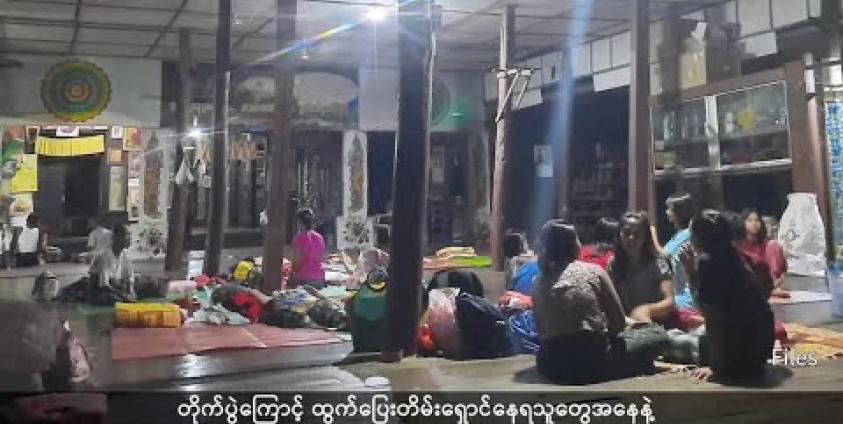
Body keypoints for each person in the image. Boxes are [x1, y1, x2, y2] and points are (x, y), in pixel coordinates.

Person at [532, 219, 669, 385]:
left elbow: (541, 328)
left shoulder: (538, 282)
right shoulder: (593, 271)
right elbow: (618, 324)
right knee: (657, 334)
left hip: (551, 365)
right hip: (593, 363)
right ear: (575, 245)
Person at [679, 210, 775, 382]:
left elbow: (714, 317)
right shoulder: (733, 256)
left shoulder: (708, 262)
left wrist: (716, 368)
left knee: (682, 342)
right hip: (759, 352)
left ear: (699, 239)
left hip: (739, 355)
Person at [609, 212, 676, 324]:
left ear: (645, 236)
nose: (631, 238)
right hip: (627, 322)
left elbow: (669, 302)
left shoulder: (659, 264)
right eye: (627, 233)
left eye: (637, 234)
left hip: (658, 322)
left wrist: (646, 310)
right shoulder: (614, 265)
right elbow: (611, 304)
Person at [737, 209, 789, 298]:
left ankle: (773, 287)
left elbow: (780, 266)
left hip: (768, 279)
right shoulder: (738, 244)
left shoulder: (766, 243)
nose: (754, 224)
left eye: (757, 220)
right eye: (749, 221)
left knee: (773, 244)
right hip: (749, 279)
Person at [88, 223, 135, 301]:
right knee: (113, 296)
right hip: (100, 290)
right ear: (116, 238)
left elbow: (130, 277)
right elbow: (104, 285)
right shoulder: (105, 255)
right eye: (126, 234)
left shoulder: (125, 254)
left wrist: (131, 291)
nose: (130, 238)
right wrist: (124, 296)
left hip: (116, 285)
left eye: (130, 234)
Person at [288, 208, 326, 288]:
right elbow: (321, 258)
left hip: (304, 279)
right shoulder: (319, 237)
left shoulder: (299, 238)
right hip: (319, 279)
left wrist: (291, 274)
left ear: (299, 222)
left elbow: (296, 261)